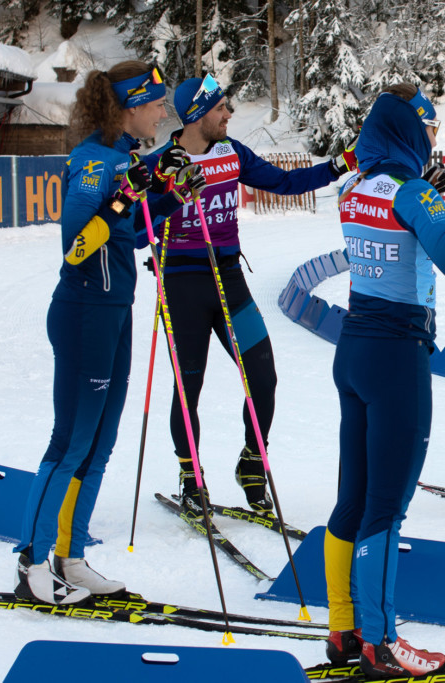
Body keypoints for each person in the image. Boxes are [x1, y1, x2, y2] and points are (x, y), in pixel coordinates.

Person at [323, 84, 445, 679]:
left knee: (352, 498)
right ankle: (381, 642)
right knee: (386, 506)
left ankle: (343, 626)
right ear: (409, 130)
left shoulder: (355, 187)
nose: (434, 138)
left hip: (353, 348)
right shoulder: (415, 192)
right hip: (396, 357)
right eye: (430, 128)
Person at [13, 61, 189, 604]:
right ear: (130, 106)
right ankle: (31, 560)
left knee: (100, 444)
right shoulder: (93, 162)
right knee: (69, 443)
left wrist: (164, 195)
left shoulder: (120, 160)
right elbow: (77, 245)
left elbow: (127, 235)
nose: (164, 112)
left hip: (114, 310)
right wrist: (127, 193)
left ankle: (70, 556)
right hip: (85, 311)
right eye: (157, 103)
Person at [143, 75, 356, 520]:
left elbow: (286, 183)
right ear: (199, 114)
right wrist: (162, 202)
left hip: (228, 277)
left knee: (263, 377)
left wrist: (341, 164)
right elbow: (138, 228)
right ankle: (190, 477)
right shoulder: (162, 162)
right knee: (189, 389)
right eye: (222, 108)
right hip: (182, 284)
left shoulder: (232, 153)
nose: (229, 115)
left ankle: (251, 463)